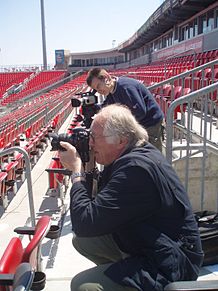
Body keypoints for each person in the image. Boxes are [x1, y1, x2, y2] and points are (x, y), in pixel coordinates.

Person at [59, 104, 203, 291]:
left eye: (94, 137)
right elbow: (94, 212)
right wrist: (88, 166)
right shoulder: (129, 155)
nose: (90, 143)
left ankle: (129, 282)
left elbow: (85, 221)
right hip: (151, 241)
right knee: (85, 240)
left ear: (121, 140)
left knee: (83, 285)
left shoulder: (136, 169)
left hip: (172, 262)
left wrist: (77, 172)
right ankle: (123, 274)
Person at [86, 67, 164, 152]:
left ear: (106, 78)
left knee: (154, 156)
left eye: (98, 86)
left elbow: (140, 112)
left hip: (151, 124)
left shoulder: (125, 87)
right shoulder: (112, 91)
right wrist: (94, 108)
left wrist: (122, 126)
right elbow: (106, 106)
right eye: (96, 89)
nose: (99, 91)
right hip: (140, 126)